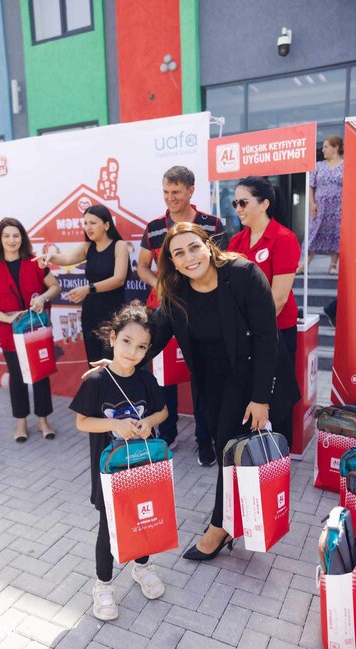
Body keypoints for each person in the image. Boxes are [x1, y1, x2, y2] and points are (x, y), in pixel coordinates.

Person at [147, 222, 300, 561]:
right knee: (226, 448)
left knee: (231, 453)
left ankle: (219, 527)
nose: (189, 258)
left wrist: (261, 398)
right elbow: (155, 334)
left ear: (208, 245)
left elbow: (266, 338)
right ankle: (231, 518)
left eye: (193, 247)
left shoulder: (244, 274)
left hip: (256, 375)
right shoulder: (176, 290)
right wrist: (120, 363)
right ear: (171, 262)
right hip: (214, 381)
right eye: (178, 254)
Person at [69, 301, 168, 621]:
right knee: (108, 527)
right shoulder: (96, 381)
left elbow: (163, 411)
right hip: (109, 470)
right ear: (112, 338)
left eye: (141, 347)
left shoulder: (146, 380)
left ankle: (142, 567)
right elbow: (82, 422)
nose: (132, 351)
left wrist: (150, 421)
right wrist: (114, 424)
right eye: (126, 342)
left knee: (143, 519)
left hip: (142, 468)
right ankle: (103, 585)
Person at [138, 165, 226, 465]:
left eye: (176, 192)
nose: (170, 198)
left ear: (191, 190)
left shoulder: (212, 224)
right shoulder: (152, 228)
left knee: (202, 376)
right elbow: (142, 267)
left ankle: (205, 440)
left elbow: (220, 266)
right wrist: (160, 284)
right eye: (165, 192)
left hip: (203, 314)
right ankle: (167, 432)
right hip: (164, 312)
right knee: (163, 379)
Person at [227, 176, 300, 441]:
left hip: (276, 332)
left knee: (275, 396)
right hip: (246, 335)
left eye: (244, 202)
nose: (238, 208)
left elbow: (278, 299)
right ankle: (250, 455)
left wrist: (252, 331)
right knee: (250, 394)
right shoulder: (236, 242)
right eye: (235, 202)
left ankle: (279, 455)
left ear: (264, 203)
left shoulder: (284, 238)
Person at [0, 217, 61, 443]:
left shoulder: (35, 263)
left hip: (36, 330)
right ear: (0, 240)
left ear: (22, 238)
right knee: (17, 377)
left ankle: (44, 420)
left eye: (16, 235)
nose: (12, 240)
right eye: (6, 236)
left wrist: (42, 298)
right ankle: (21, 422)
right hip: (9, 333)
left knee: (40, 375)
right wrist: (5, 317)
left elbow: (55, 286)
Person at [38, 204, 129, 364]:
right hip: (91, 313)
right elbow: (66, 259)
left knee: (114, 361)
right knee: (94, 361)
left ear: (106, 225)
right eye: (85, 223)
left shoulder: (119, 246)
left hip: (114, 313)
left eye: (93, 223)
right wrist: (49, 257)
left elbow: (119, 279)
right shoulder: (88, 247)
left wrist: (89, 288)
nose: (88, 227)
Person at [297, 135, 343, 275]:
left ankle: (333, 265)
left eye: (326, 147)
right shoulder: (318, 166)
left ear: (336, 148)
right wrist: (311, 203)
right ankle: (304, 264)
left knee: (337, 235)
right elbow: (311, 186)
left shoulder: (346, 166)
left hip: (339, 209)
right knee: (313, 233)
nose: (323, 150)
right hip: (320, 208)